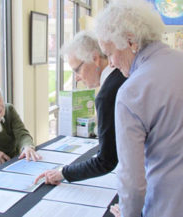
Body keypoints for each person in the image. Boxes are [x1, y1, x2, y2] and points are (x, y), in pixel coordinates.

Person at [95, 0, 183, 217]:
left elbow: (132, 182)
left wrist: (128, 213)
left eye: (110, 53)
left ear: (131, 41)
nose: (111, 62)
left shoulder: (132, 91)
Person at [34, 31, 126, 185]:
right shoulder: (121, 75)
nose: (76, 77)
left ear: (95, 59)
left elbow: (105, 161)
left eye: (77, 70)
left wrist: (63, 173)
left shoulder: (107, 95)